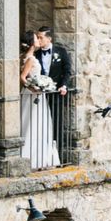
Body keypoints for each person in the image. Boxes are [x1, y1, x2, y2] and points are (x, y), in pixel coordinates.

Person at [20, 30, 60, 169]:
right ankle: (32, 158)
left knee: (36, 123)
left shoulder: (28, 56)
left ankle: (38, 157)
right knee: (33, 123)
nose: (38, 39)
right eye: (36, 38)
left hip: (35, 94)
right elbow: (23, 77)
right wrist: (33, 88)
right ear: (32, 43)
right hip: (33, 94)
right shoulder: (31, 59)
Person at [35, 26, 72, 163]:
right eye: (37, 37)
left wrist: (64, 85)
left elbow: (67, 70)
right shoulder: (35, 54)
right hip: (39, 95)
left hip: (56, 94)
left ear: (49, 39)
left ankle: (58, 156)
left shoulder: (60, 52)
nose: (39, 40)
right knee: (41, 123)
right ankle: (41, 154)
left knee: (56, 123)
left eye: (41, 37)